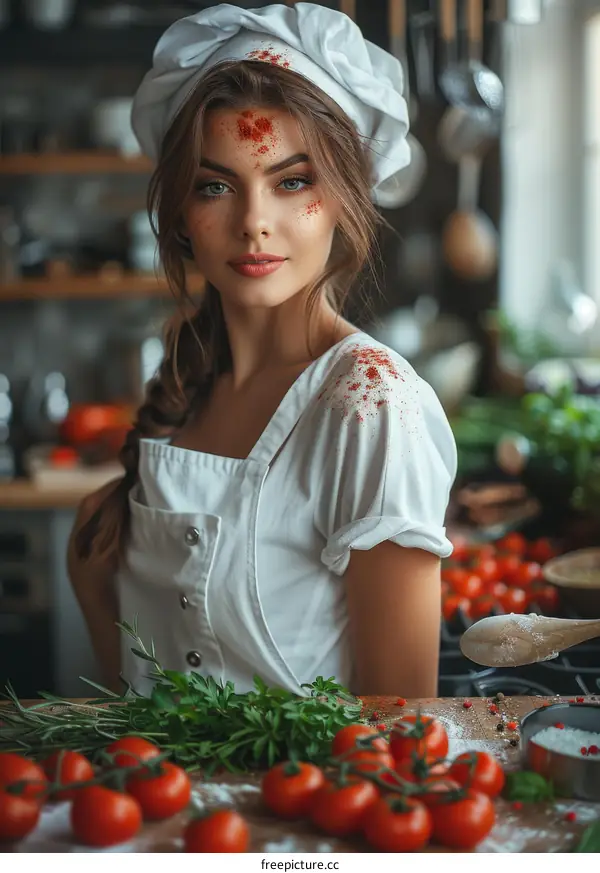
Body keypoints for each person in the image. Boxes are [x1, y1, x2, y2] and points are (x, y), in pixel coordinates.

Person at [68, 2, 457, 700]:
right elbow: (126, 705)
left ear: (345, 195)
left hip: (302, 810)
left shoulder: (371, 403)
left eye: (292, 181)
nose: (254, 223)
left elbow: (401, 727)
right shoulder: (188, 389)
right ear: (183, 213)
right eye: (216, 185)